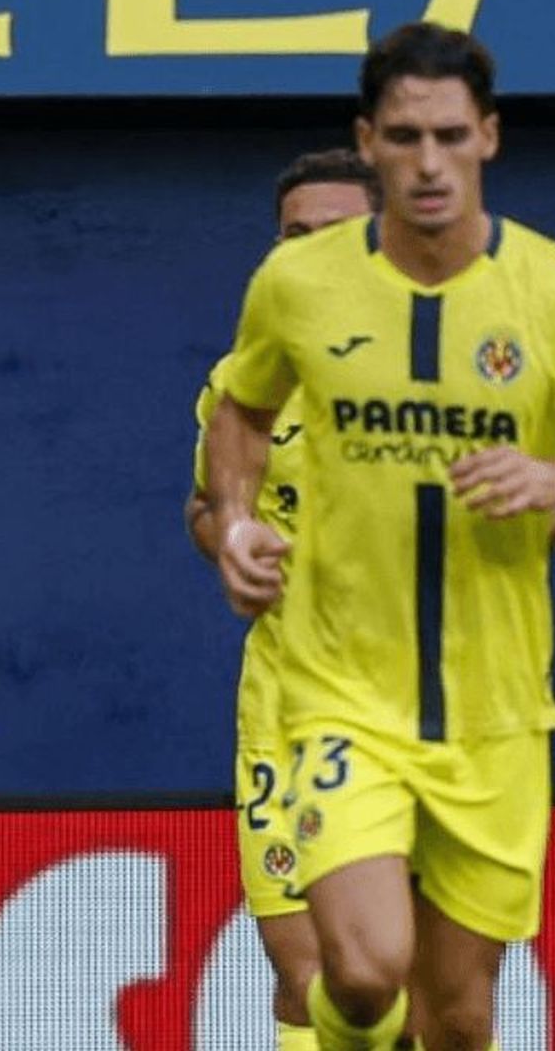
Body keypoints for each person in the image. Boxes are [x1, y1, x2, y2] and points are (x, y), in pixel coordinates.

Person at [204, 24, 555, 1051]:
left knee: (461, 1019)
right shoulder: (299, 285)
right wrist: (238, 520)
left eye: (449, 136)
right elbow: (240, 410)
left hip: (497, 712)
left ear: (490, 138)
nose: (429, 163)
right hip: (341, 695)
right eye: (404, 136)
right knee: (364, 969)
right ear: (368, 141)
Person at [186, 147, 379, 1051]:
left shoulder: (448, 375)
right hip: (284, 706)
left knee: (410, 984)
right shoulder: (240, 386)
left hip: (415, 711)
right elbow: (206, 506)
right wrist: (231, 540)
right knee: (307, 985)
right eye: (296, 237)